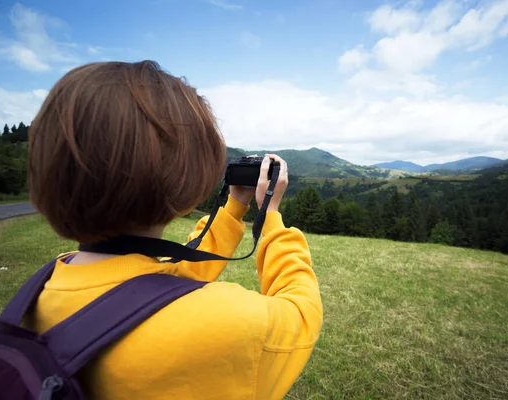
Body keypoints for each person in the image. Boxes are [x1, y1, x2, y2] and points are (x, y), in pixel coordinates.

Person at [25, 60, 323, 399]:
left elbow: (161, 286)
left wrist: (235, 205)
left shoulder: (43, 288)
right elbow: (302, 313)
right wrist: (269, 213)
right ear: (185, 181)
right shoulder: (227, 324)